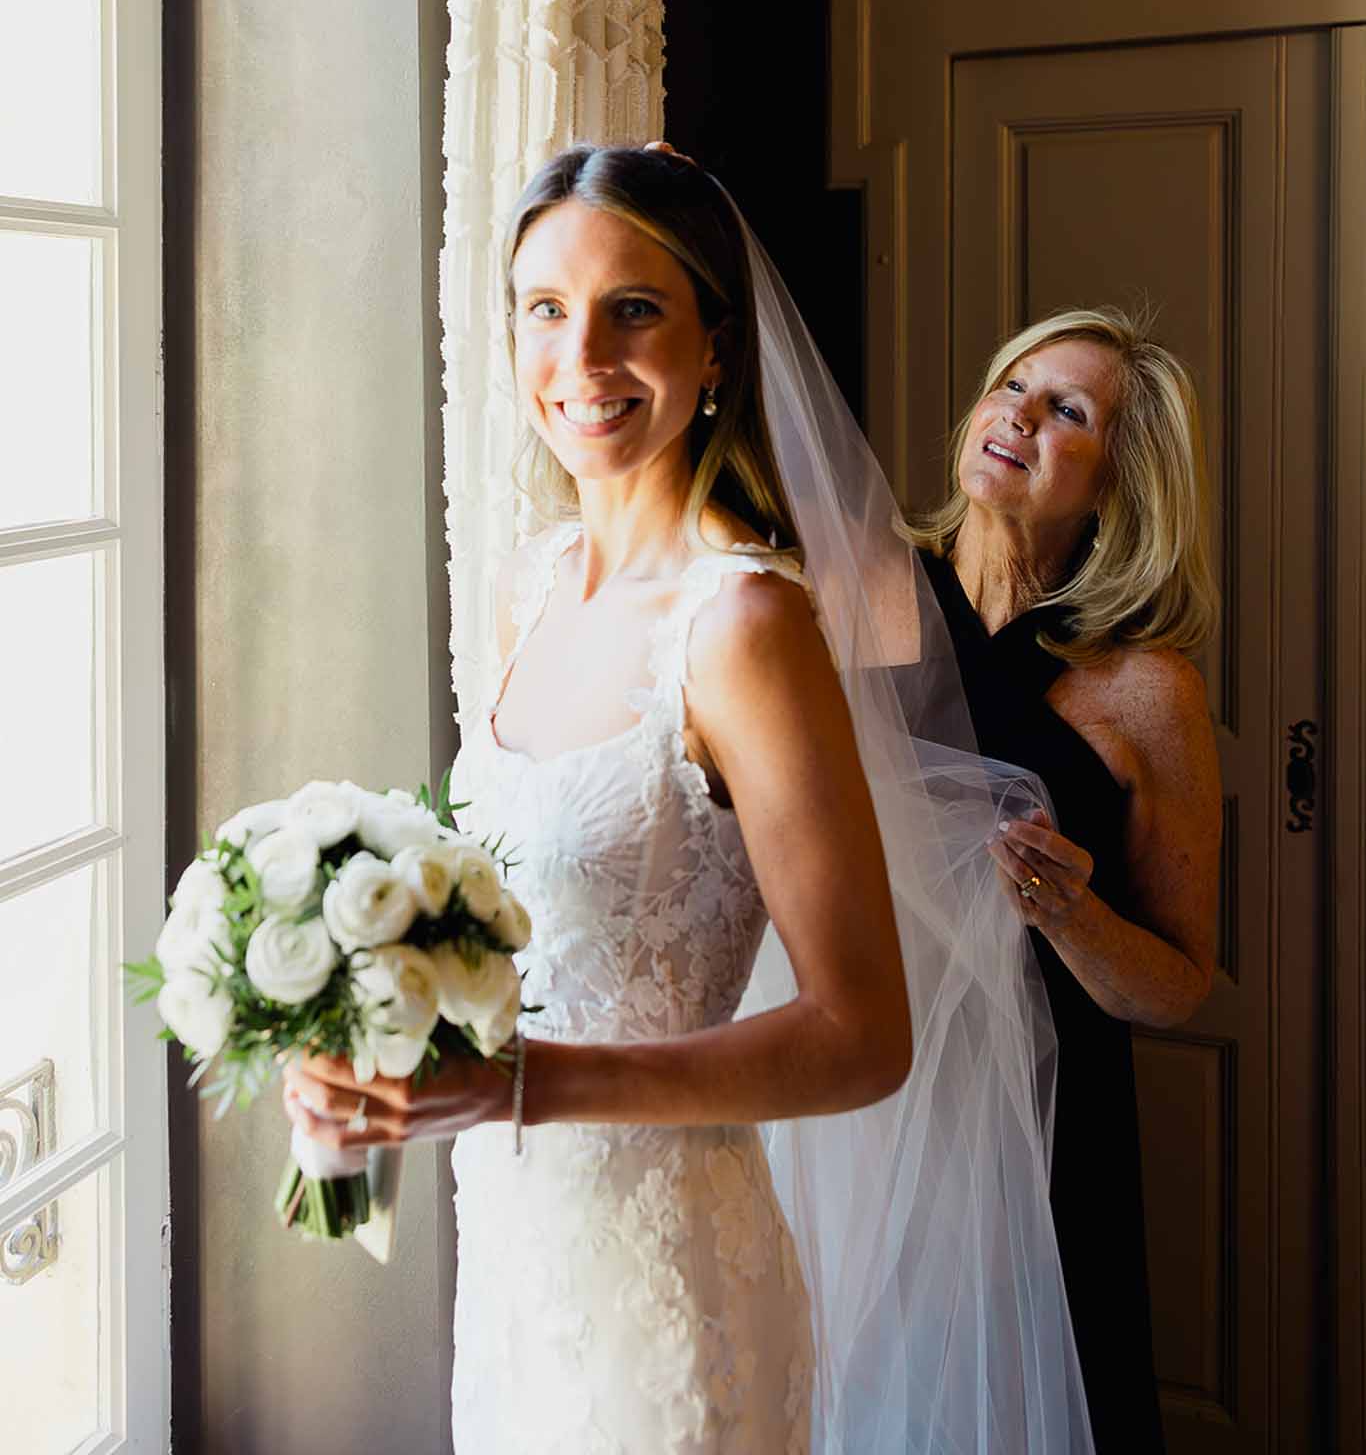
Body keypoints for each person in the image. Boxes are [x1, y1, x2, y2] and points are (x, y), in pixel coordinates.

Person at [284, 143, 1099, 1454]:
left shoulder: (741, 626)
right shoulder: (531, 583)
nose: (582, 356)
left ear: (714, 347)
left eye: (635, 309)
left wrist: (516, 1089)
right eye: (545, 309)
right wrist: (367, 1039)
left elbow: (860, 1035)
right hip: (515, 1249)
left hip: (671, 1285)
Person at [905, 311, 1223, 1454]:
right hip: (867, 1093)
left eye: (1067, 409)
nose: (1018, 414)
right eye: (1012, 384)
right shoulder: (857, 601)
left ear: (1118, 484)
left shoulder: (1145, 691)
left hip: (1045, 1136)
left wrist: (1070, 913)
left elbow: (1177, 982)